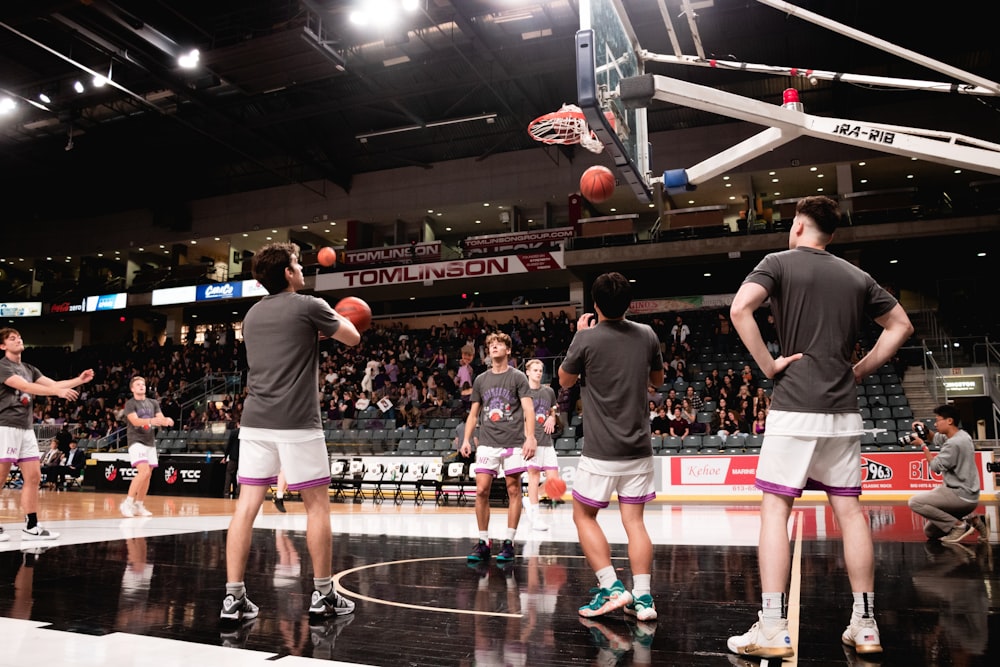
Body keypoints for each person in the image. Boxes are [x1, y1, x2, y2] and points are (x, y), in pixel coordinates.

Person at [726, 195, 913, 659]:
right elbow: (901, 326)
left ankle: (771, 626)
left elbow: (739, 309)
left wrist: (769, 365)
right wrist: (860, 370)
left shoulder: (778, 262)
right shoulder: (857, 276)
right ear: (830, 234)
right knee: (850, 513)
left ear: (797, 226)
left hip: (795, 405)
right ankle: (865, 624)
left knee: (775, 510)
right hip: (843, 410)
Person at [220, 242, 361, 624]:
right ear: (287, 273)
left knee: (246, 508)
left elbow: (288, 345)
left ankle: (233, 599)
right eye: (297, 264)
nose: (302, 270)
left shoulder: (250, 316)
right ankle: (323, 595)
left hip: (254, 422)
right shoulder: (309, 305)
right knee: (316, 506)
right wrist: (340, 316)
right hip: (298, 422)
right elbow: (353, 337)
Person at [558, 271, 664, 622]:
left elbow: (565, 379)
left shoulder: (586, 339)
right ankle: (644, 600)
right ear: (628, 304)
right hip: (639, 449)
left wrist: (579, 337)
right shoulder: (647, 335)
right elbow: (658, 380)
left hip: (601, 452)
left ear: (595, 305)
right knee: (635, 522)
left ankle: (611, 587)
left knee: (583, 515)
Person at [1, 328, 94, 541]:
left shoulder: (29, 368)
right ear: (3, 346)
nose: (18, 340)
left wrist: (78, 380)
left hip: (26, 429)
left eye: (19, 337)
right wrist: (57, 392)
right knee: (0, 477)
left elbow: (54, 384)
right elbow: (25, 387)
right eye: (12, 338)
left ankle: (31, 526)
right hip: (5, 426)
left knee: (33, 477)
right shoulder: (2, 367)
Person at [459, 331, 536, 566]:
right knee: (481, 490)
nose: (494, 347)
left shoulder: (518, 377)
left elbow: (529, 409)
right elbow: (473, 414)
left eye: (499, 344)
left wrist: (530, 437)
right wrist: (465, 439)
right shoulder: (481, 380)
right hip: (487, 443)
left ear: (508, 350)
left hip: (513, 442)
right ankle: (483, 542)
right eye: (491, 344)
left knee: (514, 491)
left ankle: (509, 543)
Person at [907, 405, 990, 543]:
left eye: (938, 420)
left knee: (915, 502)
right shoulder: (962, 435)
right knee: (930, 532)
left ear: (949, 421)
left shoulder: (954, 443)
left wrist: (922, 445)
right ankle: (975, 520)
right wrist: (925, 430)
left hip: (960, 495)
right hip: (968, 494)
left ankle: (959, 526)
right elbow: (935, 438)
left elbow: (935, 467)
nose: (935, 423)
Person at [120, 376, 174, 518]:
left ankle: (139, 504)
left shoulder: (153, 402)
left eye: (143, 384)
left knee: (148, 474)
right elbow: (135, 421)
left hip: (150, 441)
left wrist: (166, 420)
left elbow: (160, 418)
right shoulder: (130, 404)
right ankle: (128, 503)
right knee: (143, 471)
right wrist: (152, 420)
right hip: (136, 441)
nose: (141, 386)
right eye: (138, 384)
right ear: (132, 389)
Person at [523, 358, 561, 532]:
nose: (538, 372)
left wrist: (552, 417)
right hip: (531, 441)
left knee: (554, 480)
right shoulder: (522, 392)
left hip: (547, 441)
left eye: (540, 370)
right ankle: (536, 517)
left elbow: (553, 408)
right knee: (534, 476)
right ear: (528, 372)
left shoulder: (549, 391)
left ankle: (530, 499)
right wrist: (527, 438)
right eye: (535, 370)